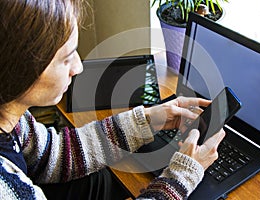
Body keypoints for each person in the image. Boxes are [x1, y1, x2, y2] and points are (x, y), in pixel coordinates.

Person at [0, 0, 225, 199]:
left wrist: (146, 121)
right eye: (67, 58)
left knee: (98, 181)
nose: (78, 67)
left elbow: (51, 155)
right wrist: (181, 176)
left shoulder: (9, 115)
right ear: (18, 67)